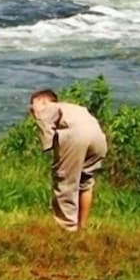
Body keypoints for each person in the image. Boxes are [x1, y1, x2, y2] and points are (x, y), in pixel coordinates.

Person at [29, 89, 108, 232]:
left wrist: (49, 146)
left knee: (65, 183)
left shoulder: (47, 108)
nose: (31, 108)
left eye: (32, 104)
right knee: (86, 182)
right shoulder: (72, 107)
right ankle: (82, 226)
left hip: (76, 135)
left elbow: (47, 140)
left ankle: (67, 230)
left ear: (43, 101)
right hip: (98, 136)